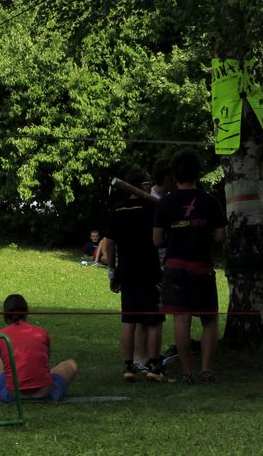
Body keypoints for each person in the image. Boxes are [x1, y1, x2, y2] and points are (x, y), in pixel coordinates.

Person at [153, 148, 227, 383]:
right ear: (199, 173)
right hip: (200, 266)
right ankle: (206, 370)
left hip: (174, 266)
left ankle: (186, 372)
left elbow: (156, 240)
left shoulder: (165, 203)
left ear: (174, 174)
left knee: (181, 319)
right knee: (209, 320)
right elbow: (220, 236)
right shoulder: (210, 202)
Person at [107, 168, 165, 382]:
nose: (150, 186)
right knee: (154, 319)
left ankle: (129, 367)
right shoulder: (152, 208)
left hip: (126, 270)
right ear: (141, 186)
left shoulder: (118, 210)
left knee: (129, 319)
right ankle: (153, 365)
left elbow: (110, 243)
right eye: (148, 183)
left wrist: (113, 272)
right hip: (149, 269)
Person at [0, 294, 77, 402]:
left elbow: (4, 362)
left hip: (13, 396)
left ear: (5, 315)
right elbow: (46, 361)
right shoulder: (41, 332)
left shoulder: (1, 336)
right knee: (71, 364)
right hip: (45, 394)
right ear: (27, 312)